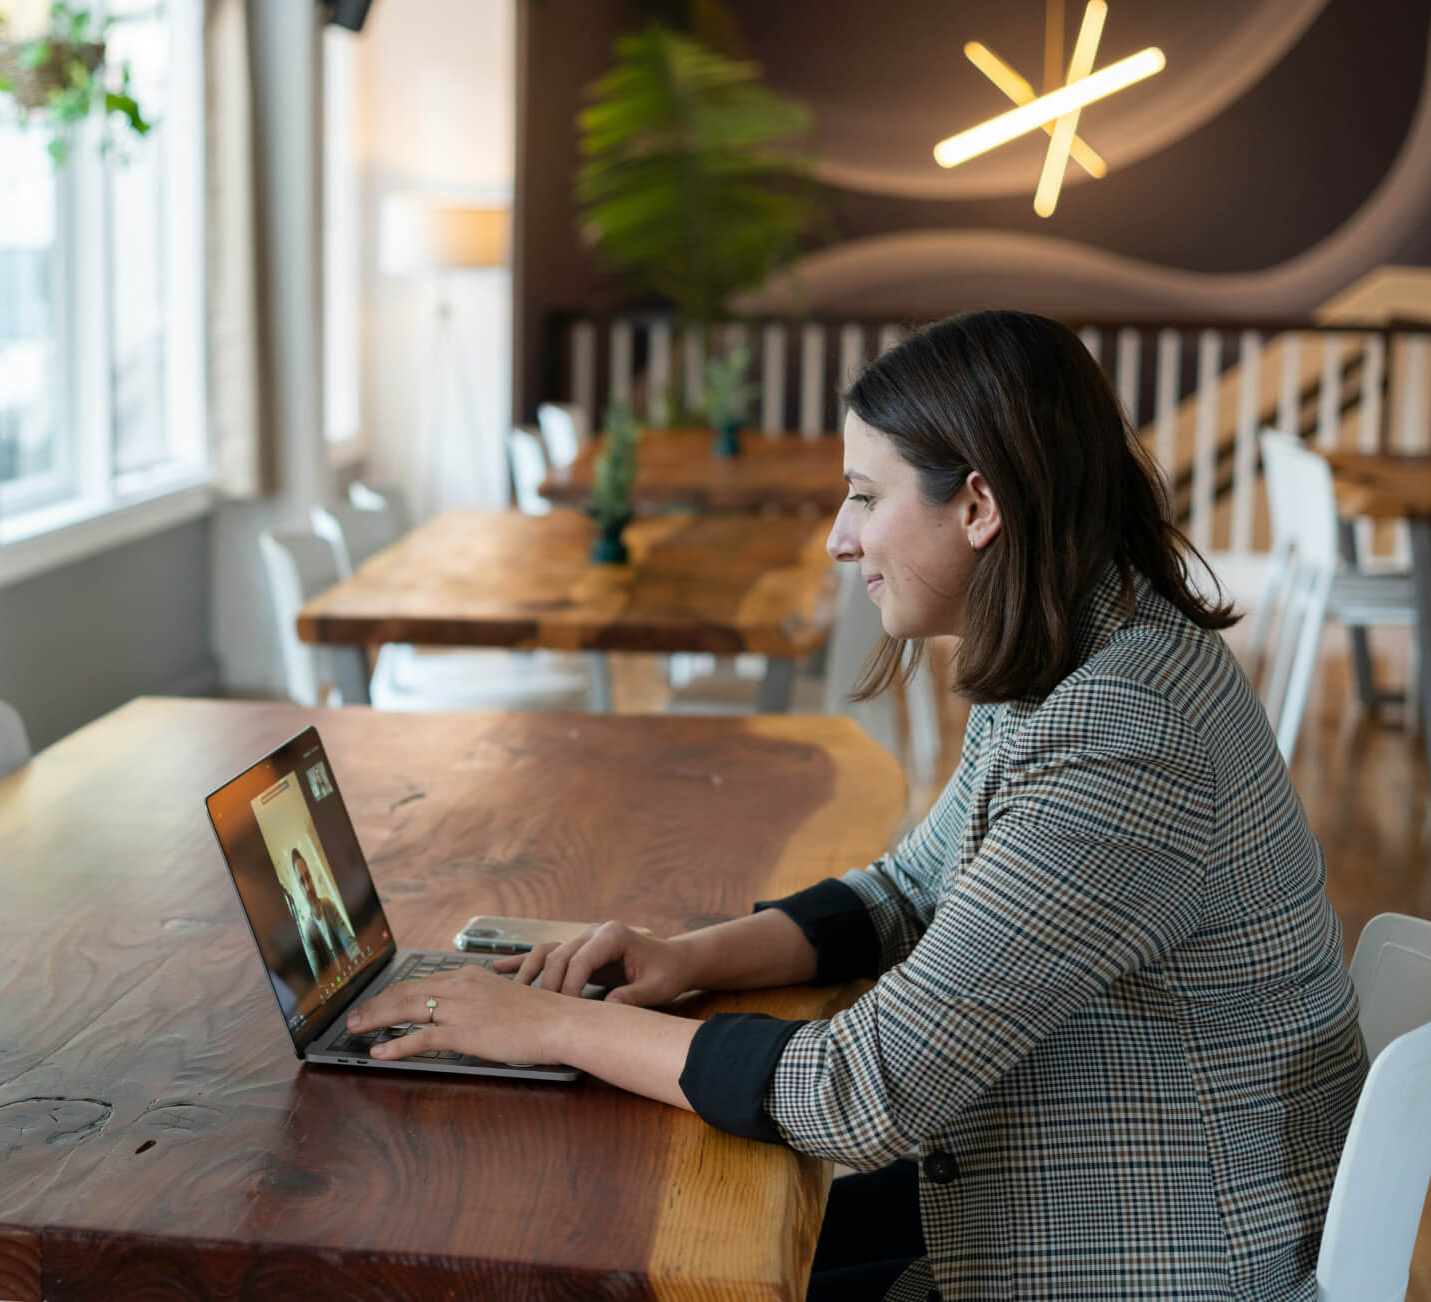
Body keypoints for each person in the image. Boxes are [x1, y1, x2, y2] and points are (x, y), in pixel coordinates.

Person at [345, 310, 1368, 1301]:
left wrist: (547, 1030)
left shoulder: (1128, 731)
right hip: (1072, 1196)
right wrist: (686, 956)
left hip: (1157, 1257)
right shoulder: (1087, 654)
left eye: (865, 497)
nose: (839, 539)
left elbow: (862, 1093)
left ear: (978, 506)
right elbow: (910, 890)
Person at [289, 847, 358, 974]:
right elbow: (319, 976)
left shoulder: (328, 905)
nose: (308, 887)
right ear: (299, 888)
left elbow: (349, 942)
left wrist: (360, 957)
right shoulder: (309, 932)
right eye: (302, 881)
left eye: (307, 876)